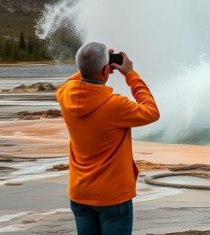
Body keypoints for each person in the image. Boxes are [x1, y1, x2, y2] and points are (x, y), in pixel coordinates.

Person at [56, 42, 160, 234]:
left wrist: (92, 64)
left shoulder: (64, 94)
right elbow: (152, 112)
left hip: (80, 192)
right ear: (107, 70)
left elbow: (76, 77)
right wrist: (130, 74)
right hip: (112, 195)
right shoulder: (116, 105)